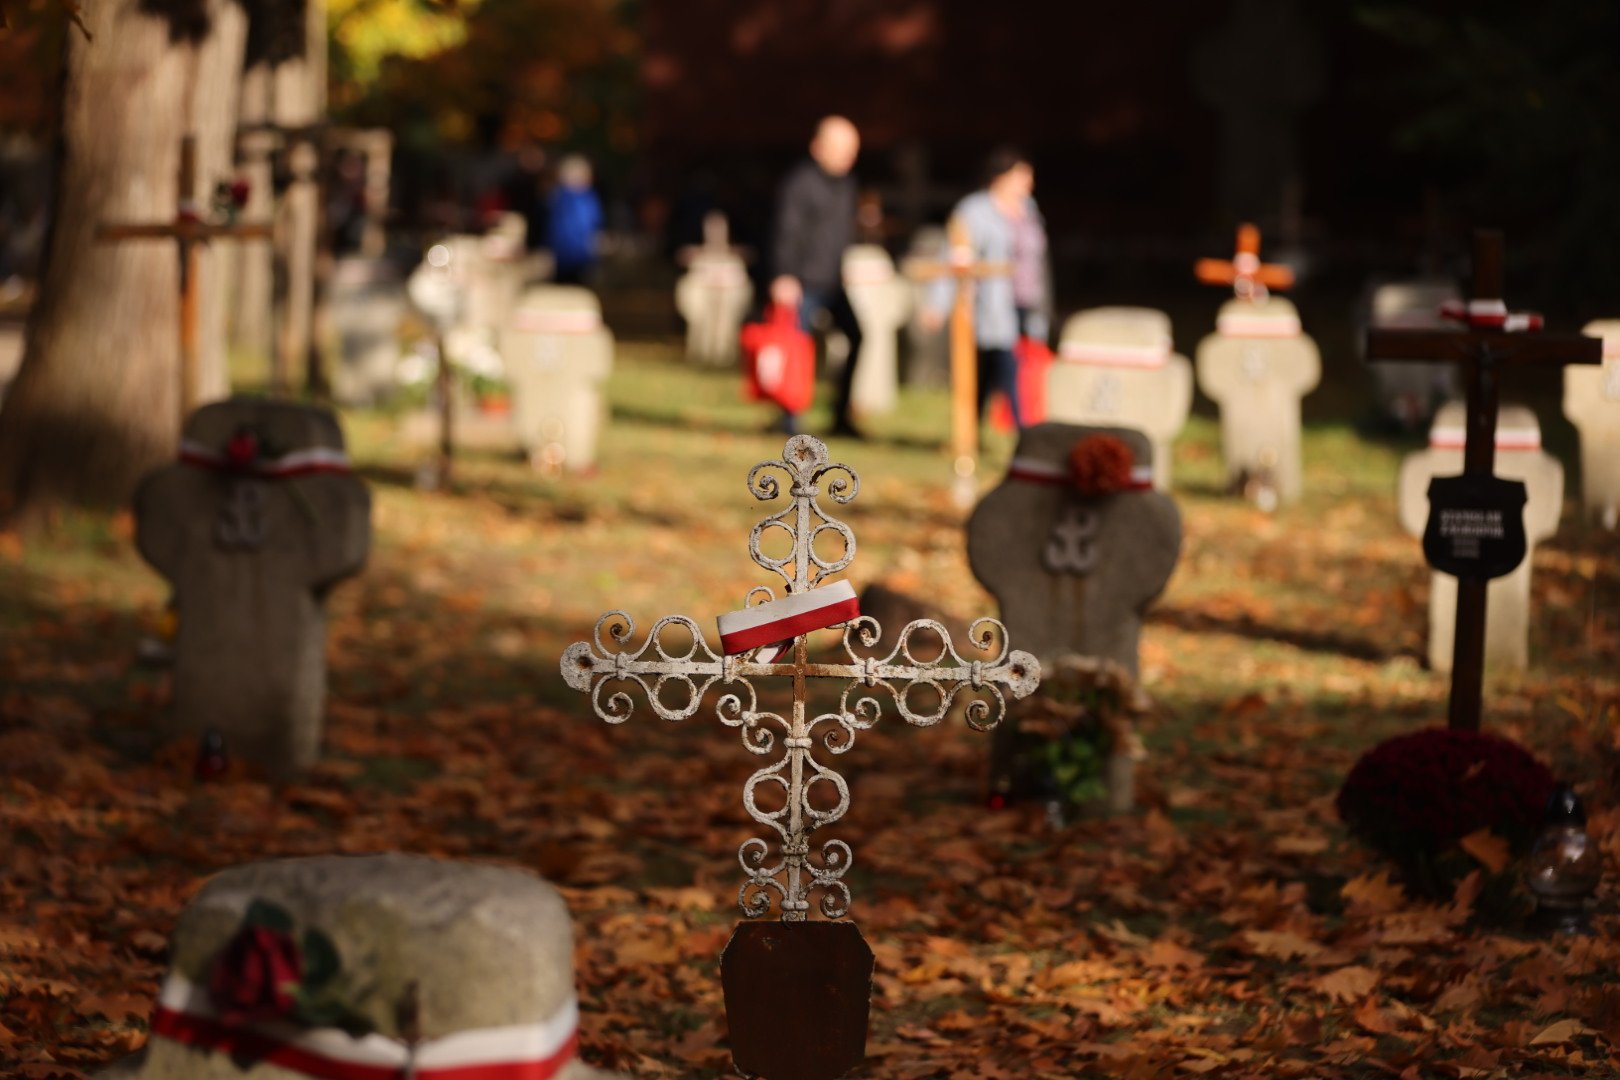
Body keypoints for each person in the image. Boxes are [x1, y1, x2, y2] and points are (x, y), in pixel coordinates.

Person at [926, 147, 1052, 432]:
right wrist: (937, 304)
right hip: (993, 304)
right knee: (1006, 366)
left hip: (1027, 301)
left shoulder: (1029, 209)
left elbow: (1038, 258)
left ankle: (973, 428)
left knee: (995, 369)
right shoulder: (974, 211)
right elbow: (954, 258)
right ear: (1001, 176)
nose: (1028, 183)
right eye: (1022, 176)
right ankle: (1023, 431)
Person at [770, 116, 863, 436]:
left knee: (857, 336)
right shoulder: (800, 183)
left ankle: (841, 415)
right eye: (841, 149)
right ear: (818, 147)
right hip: (802, 280)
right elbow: (786, 231)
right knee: (796, 348)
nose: (848, 156)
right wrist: (784, 275)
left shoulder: (847, 184)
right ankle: (788, 419)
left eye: (852, 150)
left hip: (833, 280)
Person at [547, 154, 604, 285]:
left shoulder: (587, 198)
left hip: (582, 256)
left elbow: (594, 224)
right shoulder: (562, 198)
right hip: (566, 256)